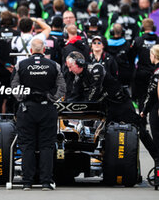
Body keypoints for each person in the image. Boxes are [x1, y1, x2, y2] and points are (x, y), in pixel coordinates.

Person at [66, 51, 159, 166]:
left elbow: (94, 93)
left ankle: (157, 158)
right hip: (107, 109)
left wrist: (81, 104)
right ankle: (109, 166)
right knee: (101, 137)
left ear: (79, 63)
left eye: (70, 67)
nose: (70, 70)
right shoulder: (78, 78)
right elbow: (73, 98)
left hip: (121, 104)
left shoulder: (96, 68)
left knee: (140, 129)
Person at [11, 38, 66, 191]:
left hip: (26, 110)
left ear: (30, 50)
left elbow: (14, 87)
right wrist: (50, 98)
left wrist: (24, 98)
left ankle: (27, 182)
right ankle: (46, 182)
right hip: (47, 109)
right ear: (43, 50)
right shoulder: (54, 65)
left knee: (27, 145)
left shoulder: (21, 64)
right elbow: (62, 88)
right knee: (46, 146)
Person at [140, 45, 159, 153]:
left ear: (155, 56)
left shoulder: (156, 74)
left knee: (156, 139)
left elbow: (151, 94)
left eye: (151, 54)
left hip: (155, 109)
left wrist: (144, 110)